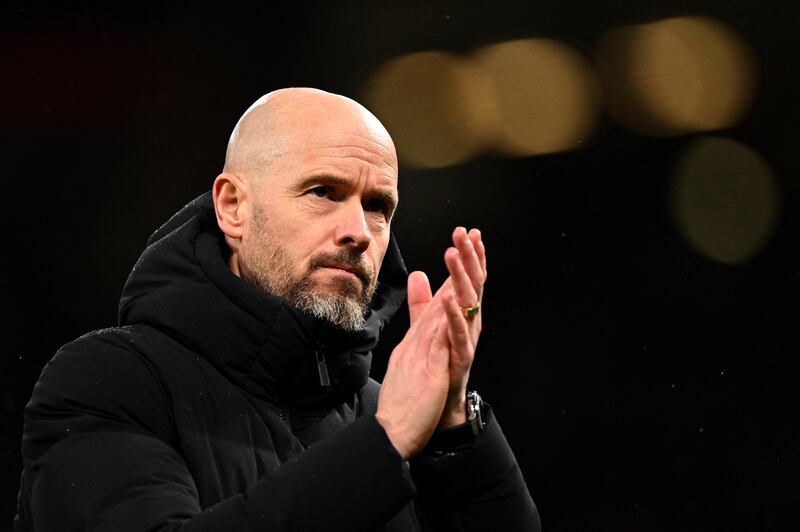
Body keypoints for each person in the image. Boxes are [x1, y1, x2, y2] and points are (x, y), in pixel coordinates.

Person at [14, 88, 539, 531]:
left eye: (377, 206)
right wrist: (382, 446)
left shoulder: (397, 412)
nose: (358, 230)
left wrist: (454, 433)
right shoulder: (109, 380)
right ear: (233, 207)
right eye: (322, 192)